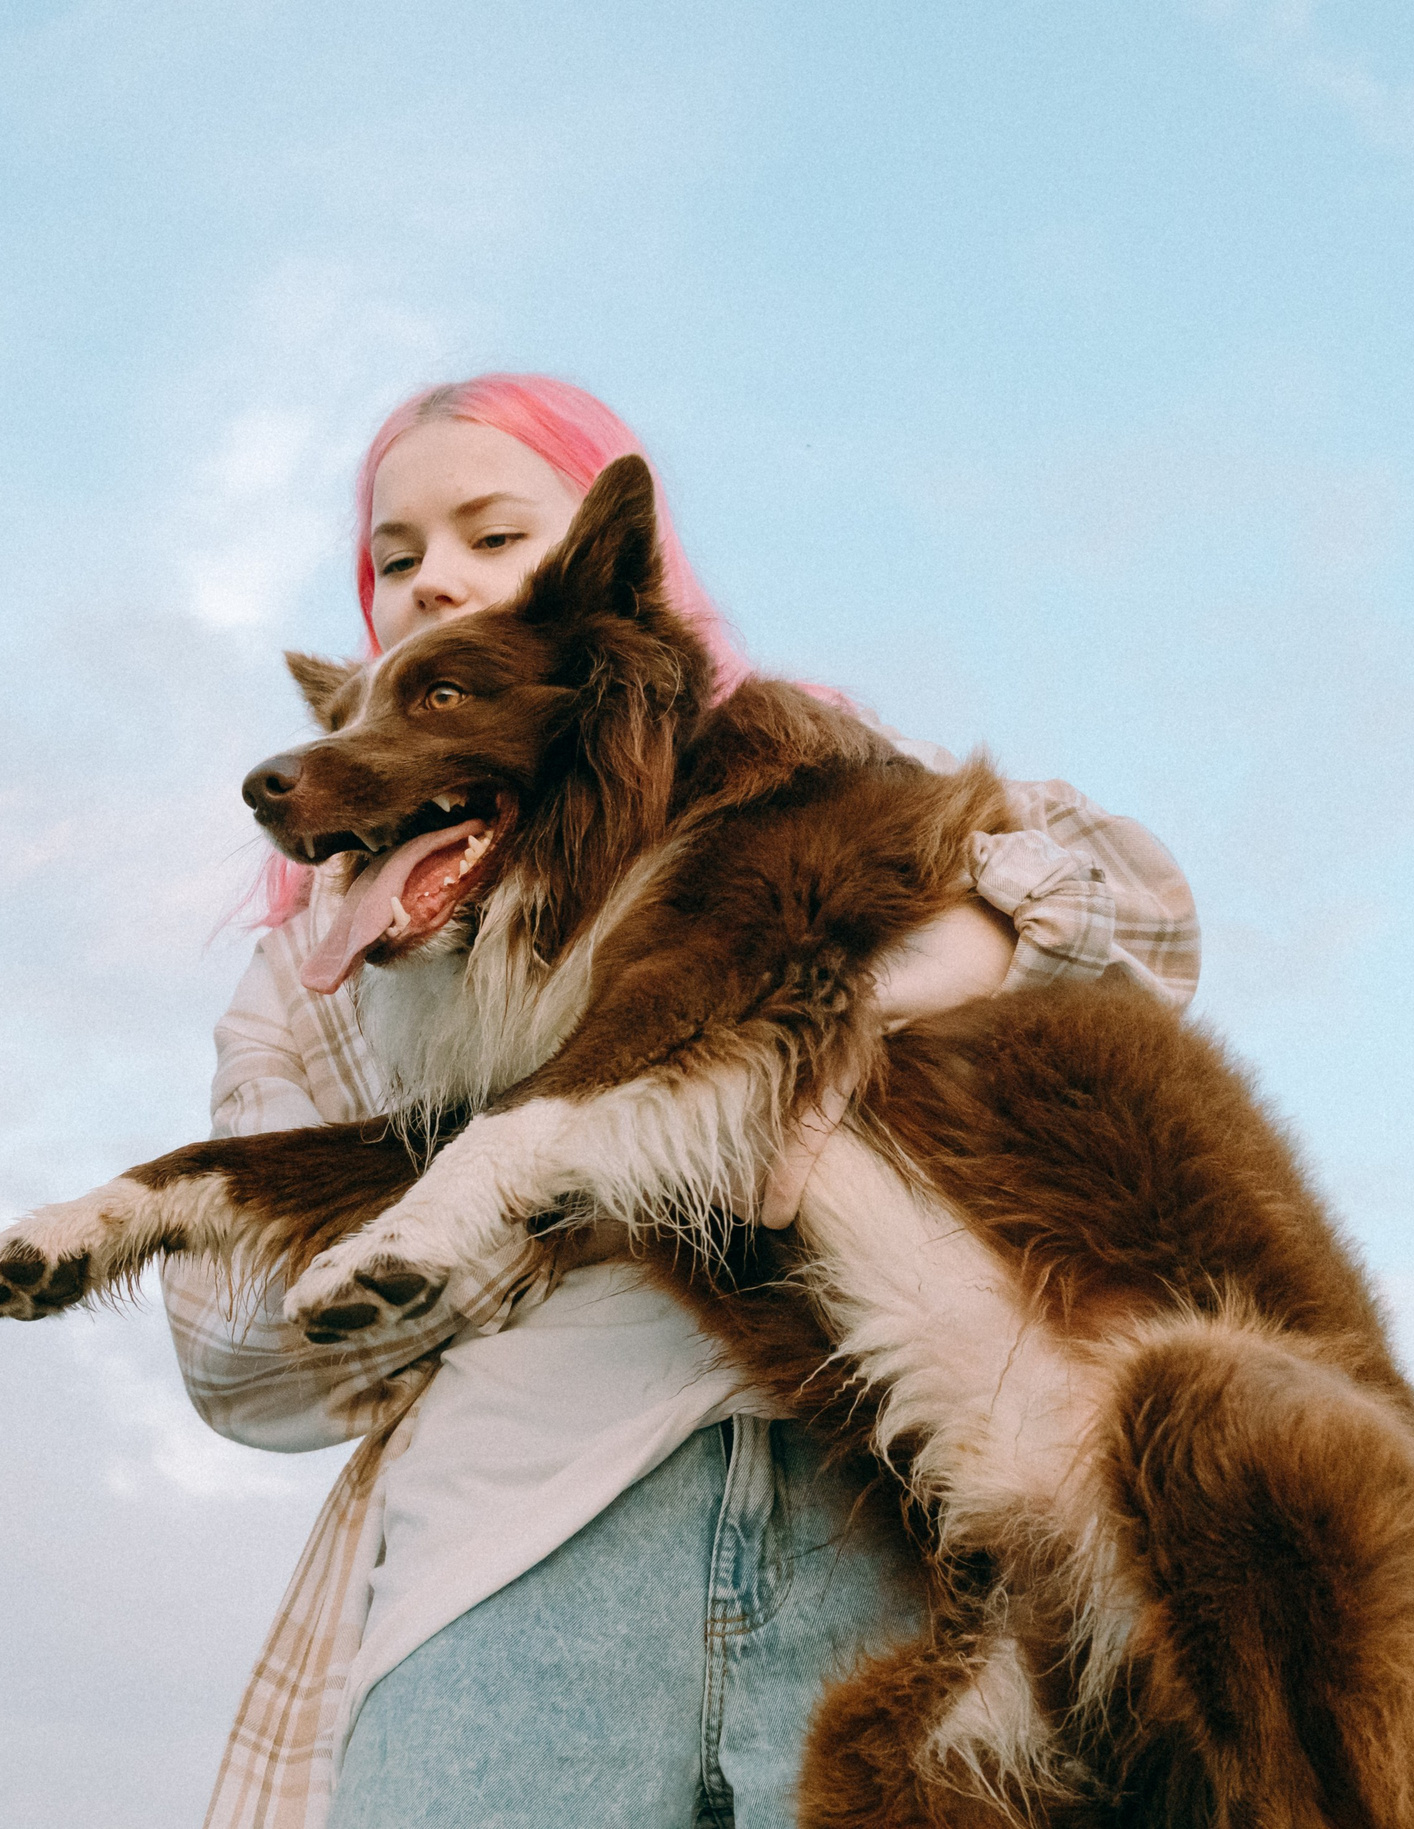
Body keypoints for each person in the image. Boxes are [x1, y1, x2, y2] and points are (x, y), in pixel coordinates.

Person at [165, 374, 1200, 1829]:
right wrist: (565, 1174)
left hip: (887, 1541)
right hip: (518, 1574)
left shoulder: (793, 786)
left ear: (614, 575)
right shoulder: (325, 969)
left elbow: (1146, 915)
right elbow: (240, 1355)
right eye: (394, 558)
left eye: (490, 533)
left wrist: (853, 990)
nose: (432, 578)